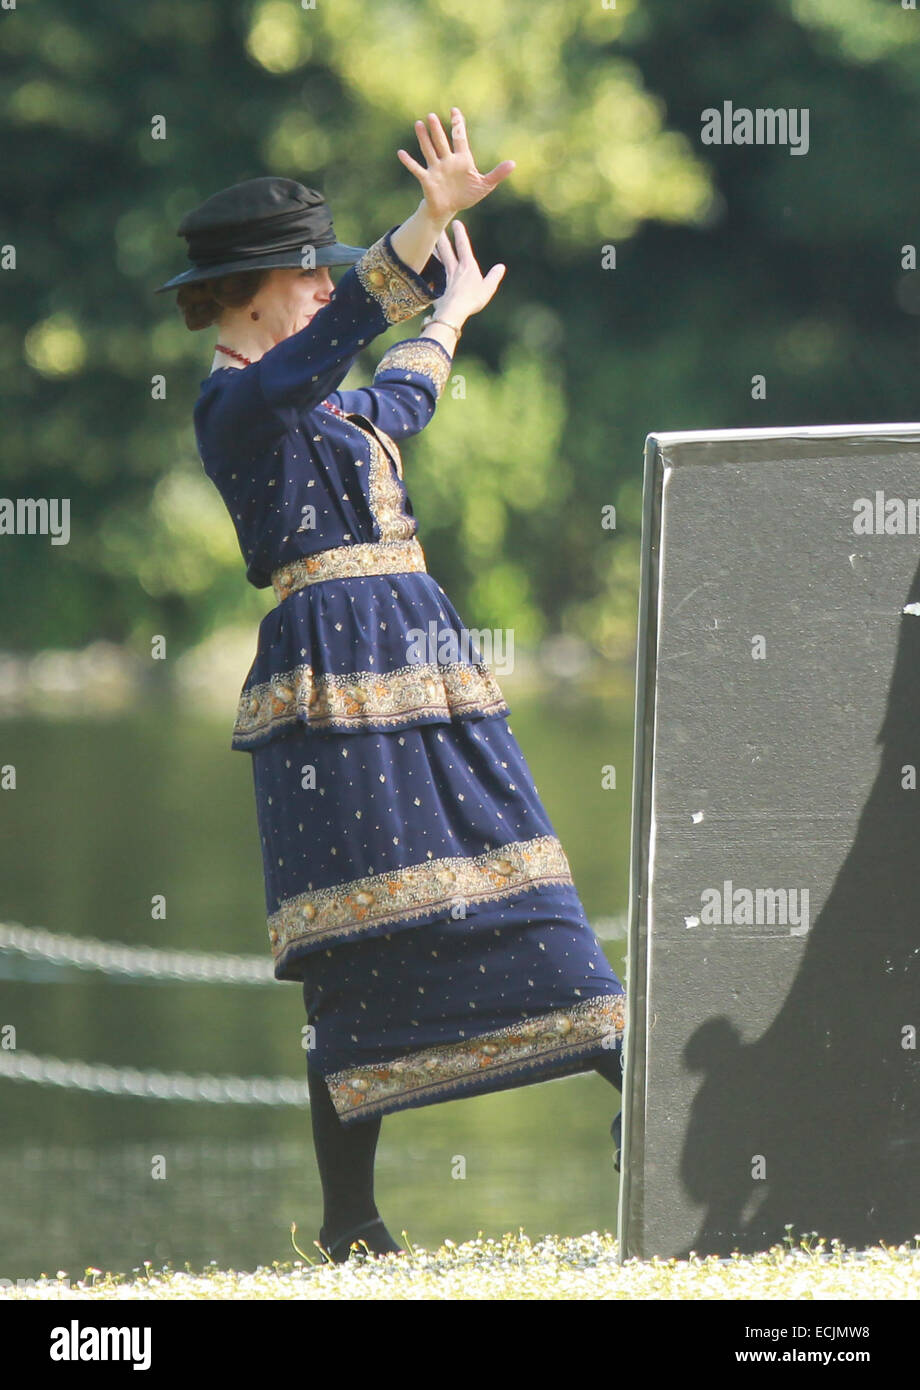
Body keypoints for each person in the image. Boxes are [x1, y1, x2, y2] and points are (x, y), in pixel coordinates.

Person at [156, 107, 625, 1265]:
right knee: (353, 950)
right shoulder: (235, 406)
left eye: (327, 272)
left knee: (526, 882)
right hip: (332, 686)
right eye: (309, 273)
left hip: (422, 666)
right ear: (257, 287)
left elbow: (396, 395)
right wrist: (420, 227)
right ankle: (351, 1221)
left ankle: (646, 1101)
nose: (322, 289)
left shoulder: (323, 405)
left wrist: (450, 316)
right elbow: (323, 358)